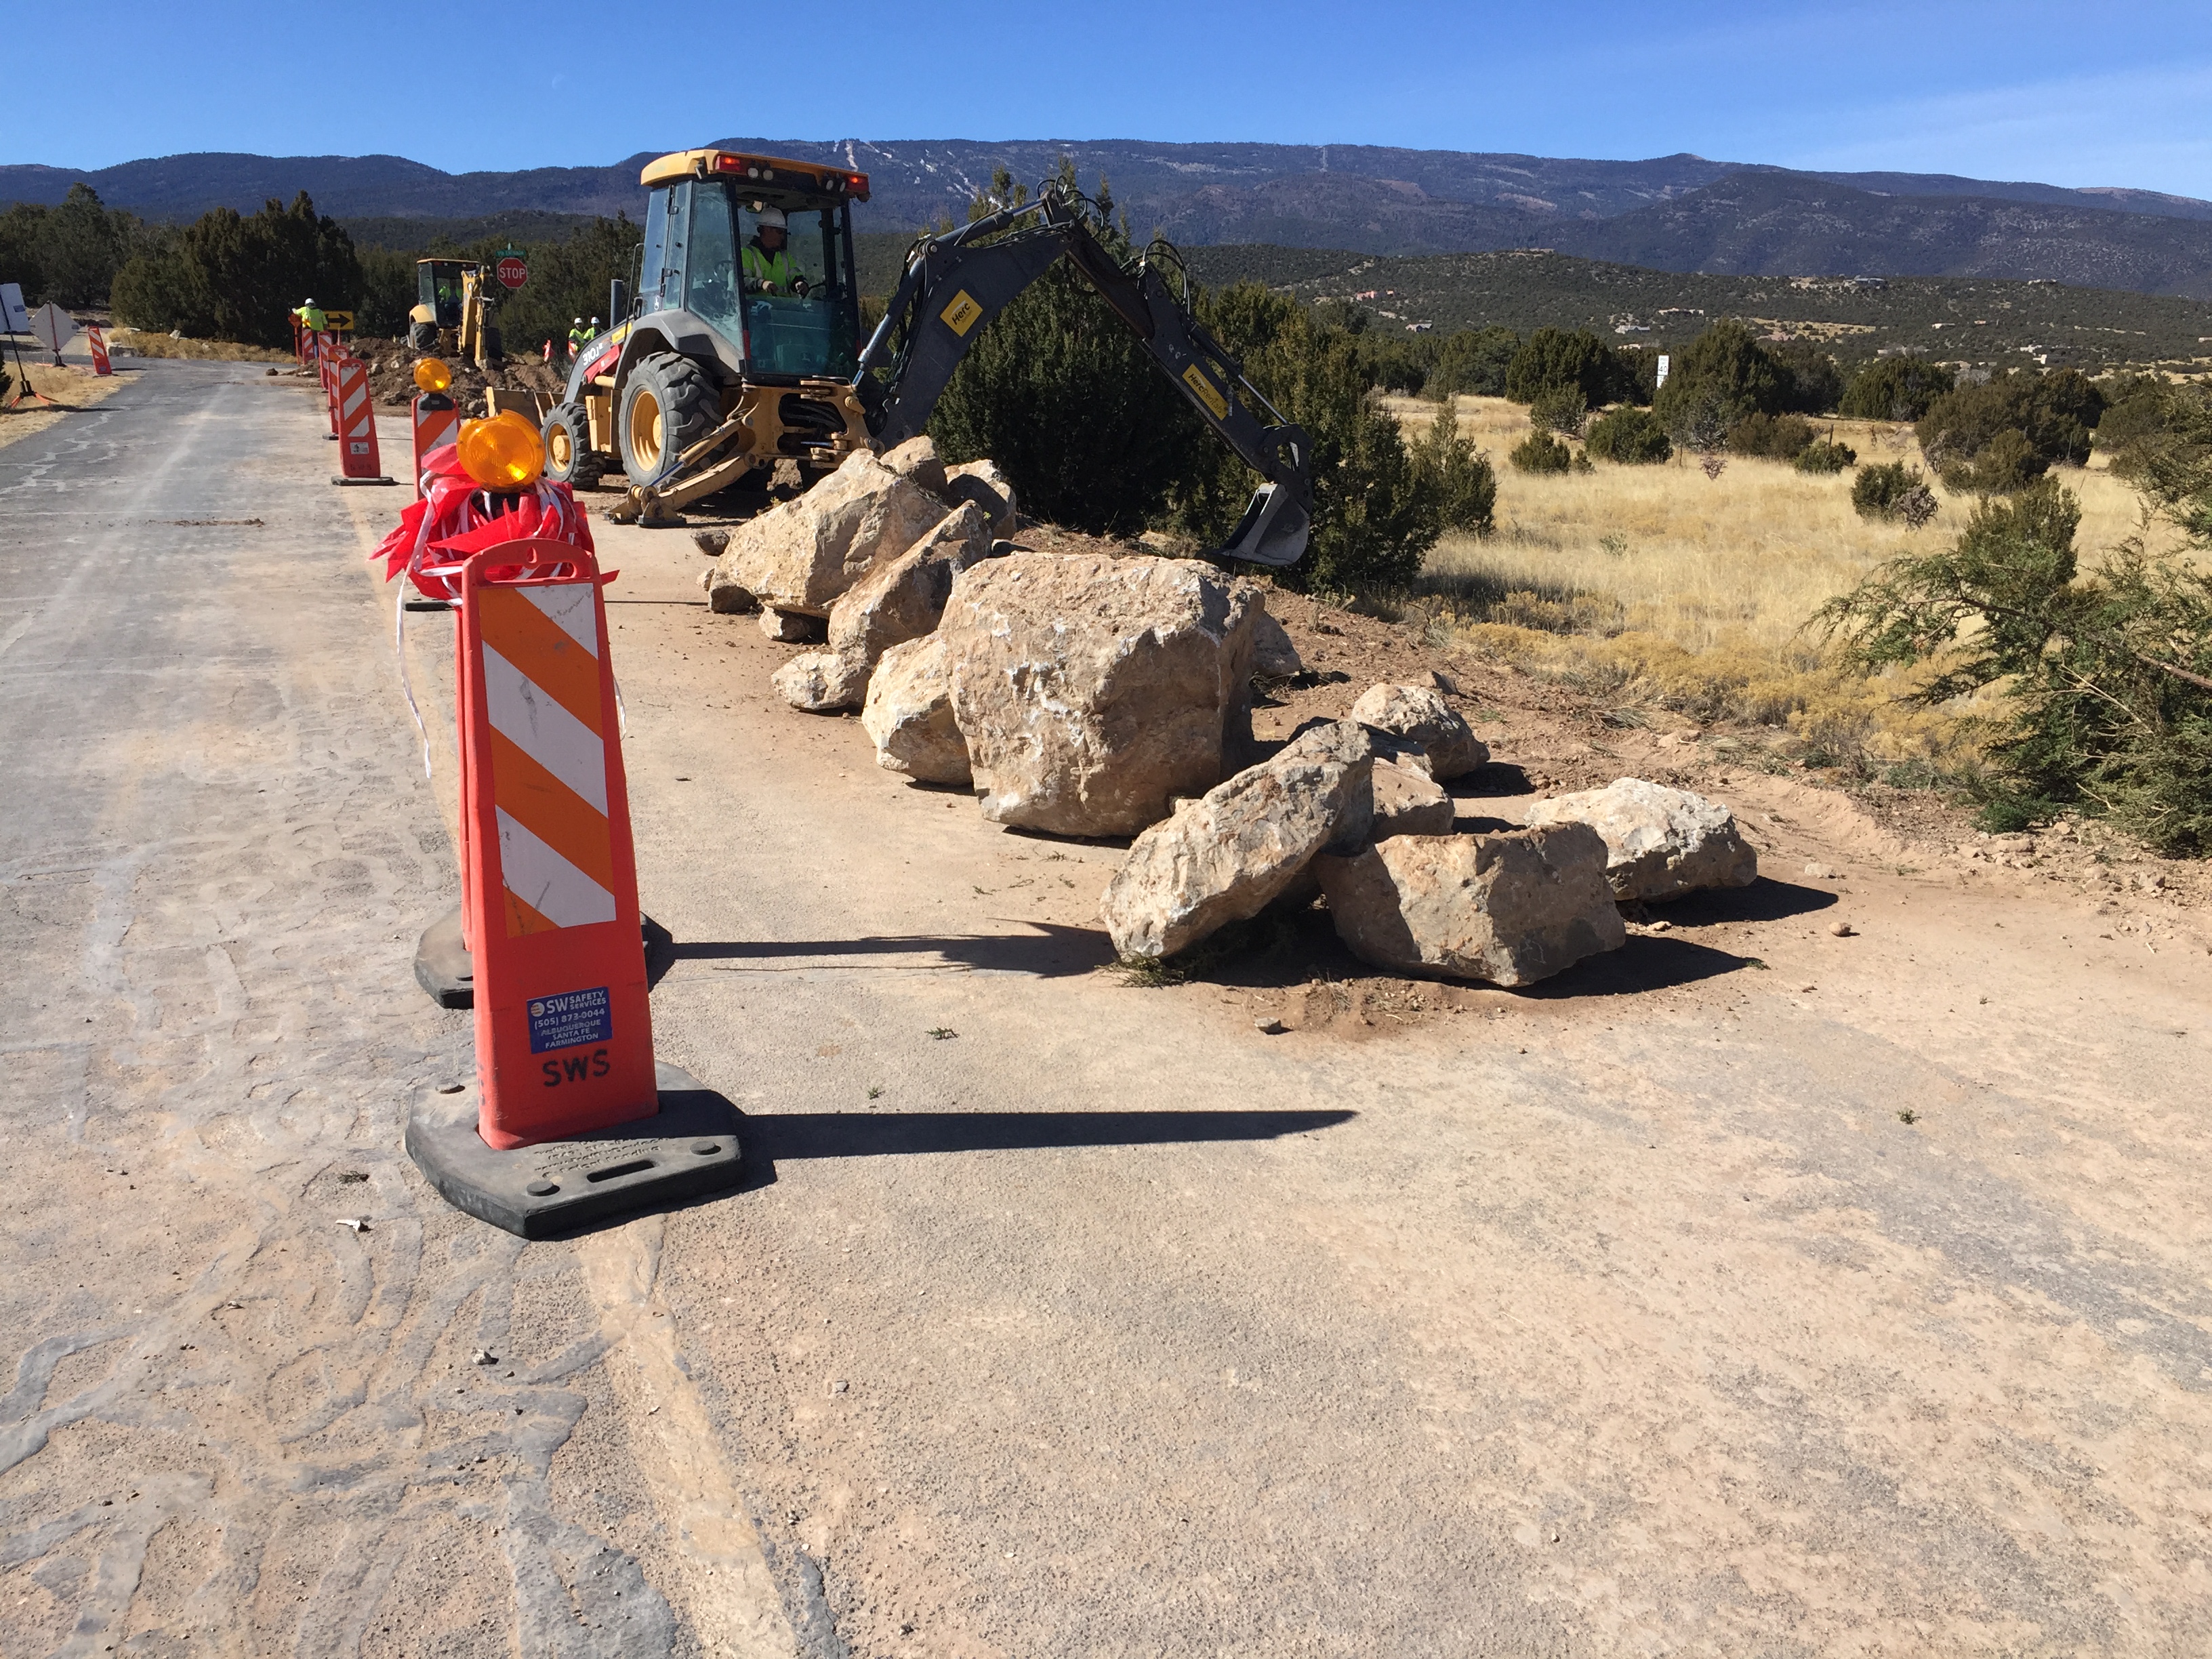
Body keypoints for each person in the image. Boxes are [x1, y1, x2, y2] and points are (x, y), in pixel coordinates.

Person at [741, 208, 803, 296]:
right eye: (780, 231)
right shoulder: (746, 254)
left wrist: (799, 283)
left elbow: (796, 276)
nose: (782, 237)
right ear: (767, 229)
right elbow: (740, 282)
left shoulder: (785, 257)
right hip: (757, 309)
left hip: (785, 309)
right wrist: (762, 284)